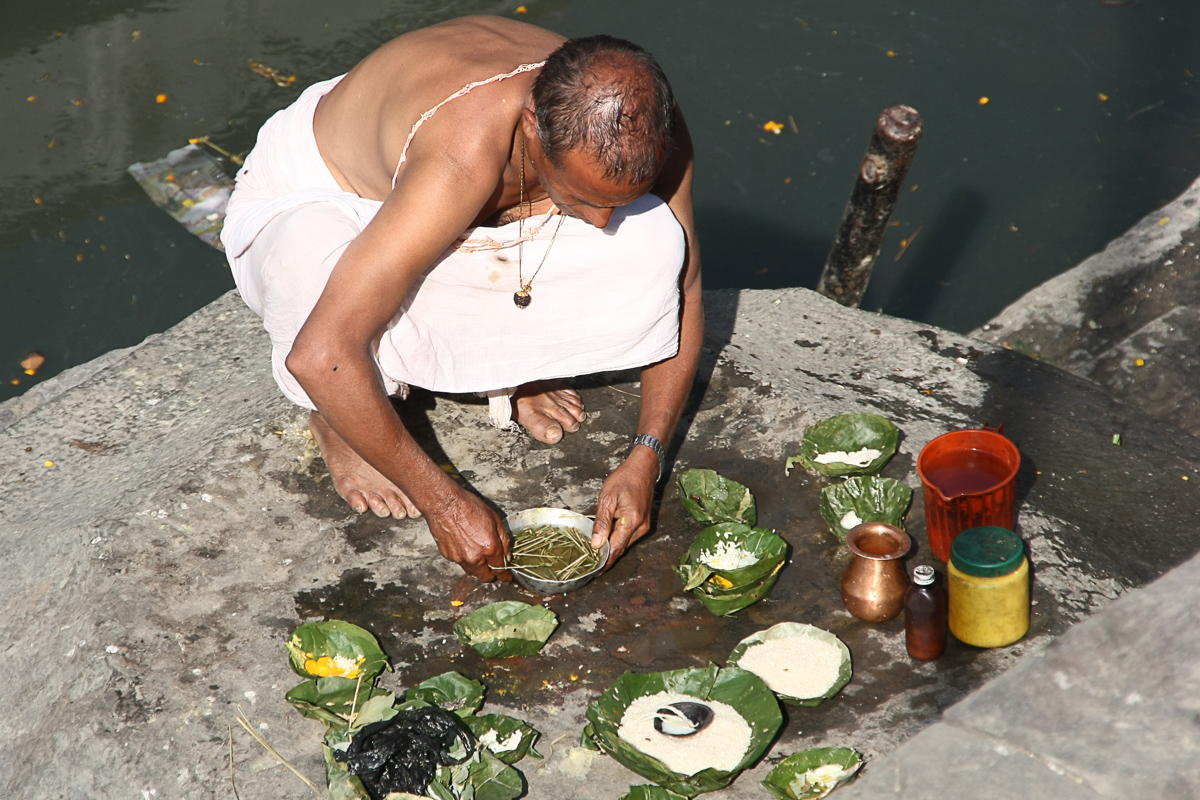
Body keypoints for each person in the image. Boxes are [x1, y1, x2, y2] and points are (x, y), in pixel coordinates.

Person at [221, 15, 702, 582]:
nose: (600, 222)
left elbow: (685, 287)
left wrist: (647, 457)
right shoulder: (461, 152)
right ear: (531, 126)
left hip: (460, 196)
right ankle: (332, 417)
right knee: (312, 266)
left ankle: (516, 365)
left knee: (653, 240)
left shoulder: (645, 128)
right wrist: (442, 503)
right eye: (582, 197)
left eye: (616, 199)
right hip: (333, 195)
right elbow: (319, 351)